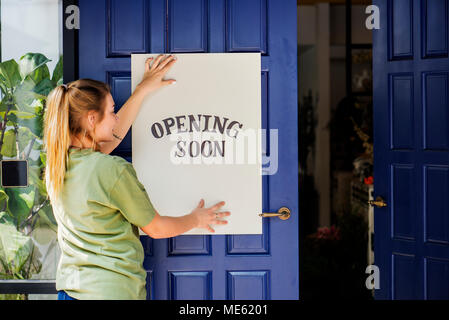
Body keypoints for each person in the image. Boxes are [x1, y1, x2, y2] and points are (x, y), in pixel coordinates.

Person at [43, 54, 231, 300]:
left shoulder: (57, 167)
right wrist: (195, 218)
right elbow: (156, 228)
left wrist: (142, 90)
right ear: (91, 119)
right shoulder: (110, 169)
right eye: (111, 111)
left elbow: (109, 139)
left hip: (71, 292)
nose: (116, 118)